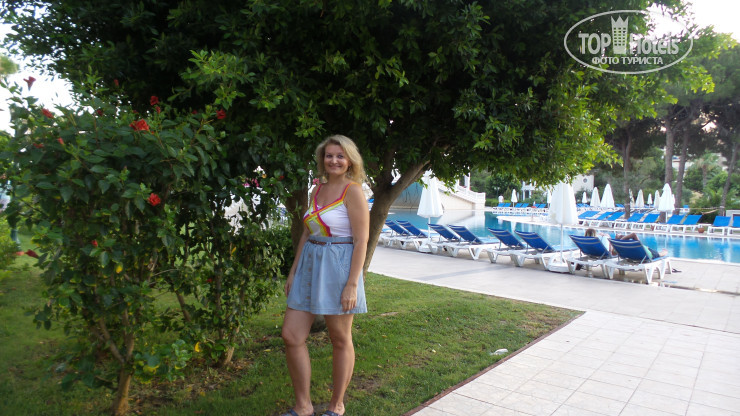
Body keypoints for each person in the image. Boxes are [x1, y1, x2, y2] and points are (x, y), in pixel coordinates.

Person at [281, 135, 369, 416]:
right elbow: (307, 233)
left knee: (340, 338)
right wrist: (293, 271)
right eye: (329, 155)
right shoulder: (316, 189)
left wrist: (352, 284)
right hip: (309, 264)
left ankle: (336, 405)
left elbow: (361, 241)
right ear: (322, 159)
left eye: (340, 156)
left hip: (338, 266)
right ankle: (303, 406)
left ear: (350, 161)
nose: (334, 160)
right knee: (291, 335)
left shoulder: (353, 191)